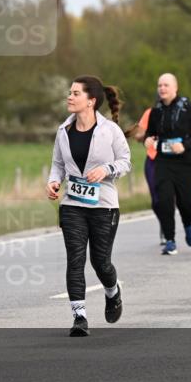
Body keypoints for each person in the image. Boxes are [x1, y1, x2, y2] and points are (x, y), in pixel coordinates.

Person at [47, 76, 131, 336]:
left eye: (75, 93)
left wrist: (106, 170)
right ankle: (79, 317)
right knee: (75, 258)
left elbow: (126, 162)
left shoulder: (110, 131)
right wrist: (53, 181)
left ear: (91, 101)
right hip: (72, 203)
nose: (69, 97)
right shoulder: (64, 131)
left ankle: (112, 291)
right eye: (69, 93)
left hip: (104, 204)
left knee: (101, 262)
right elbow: (58, 164)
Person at [144, 74, 191, 255]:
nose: (162, 88)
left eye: (166, 85)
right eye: (159, 85)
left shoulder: (188, 107)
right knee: (164, 200)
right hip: (164, 161)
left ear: (175, 88)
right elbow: (151, 133)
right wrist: (149, 140)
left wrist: (185, 145)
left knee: (185, 203)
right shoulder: (156, 110)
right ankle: (170, 240)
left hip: (186, 162)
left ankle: (188, 224)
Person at [130, 103, 161, 244]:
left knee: (168, 197)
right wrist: (138, 135)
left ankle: (168, 229)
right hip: (153, 159)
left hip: (171, 161)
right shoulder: (150, 113)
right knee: (155, 200)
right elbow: (139, 134)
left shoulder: (181, 112)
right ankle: (164, 224)